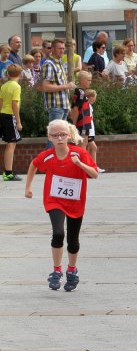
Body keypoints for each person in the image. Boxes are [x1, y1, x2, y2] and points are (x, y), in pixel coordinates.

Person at [24, 118, 98, 291]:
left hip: (75, 202)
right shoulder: (48, 155)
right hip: (54, 200)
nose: (59, 138)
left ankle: (72, 270)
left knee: (73, 240)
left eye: (63, 134)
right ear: (49, 137)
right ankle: (56, 270)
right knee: (58, 233)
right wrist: (28, 187)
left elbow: (94, 174)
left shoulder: (79, 153)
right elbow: (33, 165)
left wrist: (79, 164)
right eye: (55, 135)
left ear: (69, 135)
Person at [41, 38, 75, 125]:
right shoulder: (49, 64)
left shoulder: (59, 63)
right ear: (52, 49)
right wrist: (66, 86)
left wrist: (68, 105)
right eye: (59, 48)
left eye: (63, 48)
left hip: (63, 104)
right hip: (55, 105)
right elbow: (45, 87)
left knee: (61, 132)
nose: (62, 50)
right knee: (56, 132)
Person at [0, 63, 23, 181]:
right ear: (20, 74)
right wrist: (18, 122)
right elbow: (15, 104)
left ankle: (7, 172)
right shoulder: (16, 86)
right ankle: (8, 173)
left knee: (10, 144)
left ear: (8, 74)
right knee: (11, 144)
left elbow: (1, 102)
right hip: (10, 116)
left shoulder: (4, 86)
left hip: (3, 115)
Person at [69, 70, 97, 164]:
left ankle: (84, 165)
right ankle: (82, 165)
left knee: (84, 143)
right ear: (81, 80)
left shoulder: (82, 92)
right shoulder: (80, 92)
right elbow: (75, 109)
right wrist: (74, 124)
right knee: (82, 144)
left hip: (86, 122)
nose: (90, 82)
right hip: (83, 122)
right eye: (88, 80)